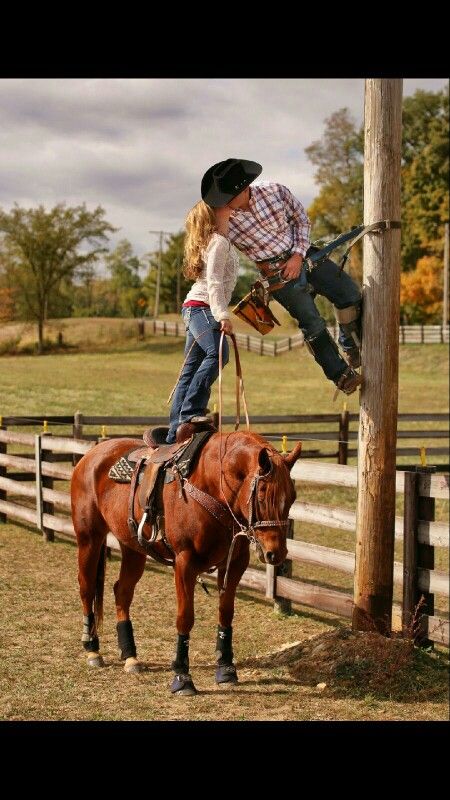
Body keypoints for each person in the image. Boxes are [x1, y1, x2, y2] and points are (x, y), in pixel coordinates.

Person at [200, 158, 363, 396]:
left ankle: (351, 346)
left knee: (349, 293)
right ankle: (341, 375)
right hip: (277, 275)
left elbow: (302, 221)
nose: (224, 202)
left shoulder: (275, 191)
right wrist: (222, 222)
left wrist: (297, 255)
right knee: (312, 322)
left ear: (244, 189)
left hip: (304, 254)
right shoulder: (222, 218)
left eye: (228, 196)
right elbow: (219, 251)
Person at [166, 200, 238, 444]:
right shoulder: (218, 242)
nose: (231, 205)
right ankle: (190, 413)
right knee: (218, 355)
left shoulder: (221, 241)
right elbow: (215, 282)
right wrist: (222, 315)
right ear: (215, 213)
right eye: (226, 204)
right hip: (203, 307)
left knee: (190, 370)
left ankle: (173, 433)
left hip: (195, 307)